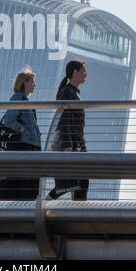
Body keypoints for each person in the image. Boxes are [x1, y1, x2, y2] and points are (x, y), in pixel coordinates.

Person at [47, 60, 89, 201]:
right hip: (68, 145)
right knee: (69, 184)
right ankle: (44, 203)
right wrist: (67, 146)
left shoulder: (75, 92)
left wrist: (82, 144)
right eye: (83, 71)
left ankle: (79, 214)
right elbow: (64, 120)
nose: (86, 74)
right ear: (75, 72)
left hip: (77, 145)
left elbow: (76, 123)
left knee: (82, 181)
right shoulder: (67, 92)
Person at [2, 67, 42, 200]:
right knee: (26, 182)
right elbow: (8, 120)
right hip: (24, 145)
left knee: (31, 183)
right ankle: (24, 212)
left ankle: (28, 210)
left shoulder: (25, 100)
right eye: (32, 81)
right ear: (24, 82)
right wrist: (22, 130)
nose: (34, 85)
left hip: (30, 144)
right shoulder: (18, 97)